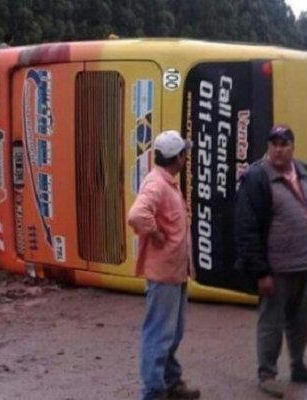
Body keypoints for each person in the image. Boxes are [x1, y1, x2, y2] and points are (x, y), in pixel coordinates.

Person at [234, 124, 307, 399]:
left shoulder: (305, 172)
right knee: (271, 323)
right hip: (276, 269)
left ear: (292, 147)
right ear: (268, 147)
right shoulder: (256, 178)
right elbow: (246, 228)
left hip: (305, 264)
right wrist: (260, 272)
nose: (279, 149)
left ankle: (299, 366)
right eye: (274, 143)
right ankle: (267, 374)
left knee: (302, 321)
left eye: (284, 143)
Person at [128, 130, 201, 400]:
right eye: (184, 153)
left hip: (175, 270)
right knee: (159, 332)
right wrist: (155, 232)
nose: (186, 158)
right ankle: (153, 390)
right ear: (178, 157)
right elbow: (136, 215)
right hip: (164, 273)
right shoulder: (157, 184)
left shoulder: (166, 181)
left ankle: (171, 381)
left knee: (173, 331)